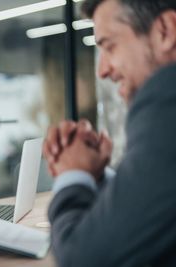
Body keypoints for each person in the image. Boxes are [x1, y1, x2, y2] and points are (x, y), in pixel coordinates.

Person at [42, 0, 176, 266]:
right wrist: (99, 176)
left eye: (110, 46)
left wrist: (74, 175)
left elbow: (82, 258)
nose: (102, 70)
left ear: (165, 30)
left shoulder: (168, 100)